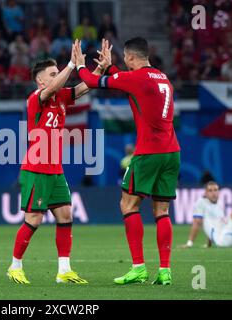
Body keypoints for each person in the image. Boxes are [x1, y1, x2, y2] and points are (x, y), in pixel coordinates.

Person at [74, 37, 180, 285]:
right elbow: (127, 83)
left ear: (130, 57)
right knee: (161, 211)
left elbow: (91, 81)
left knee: (128, 206)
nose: (124, 61)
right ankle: (165, 270)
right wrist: (111, 67)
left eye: (124, 58)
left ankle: (139, 267)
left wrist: (80, 65)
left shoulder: (137, 78)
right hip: (172, 151)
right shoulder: (162, 78)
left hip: (148, 153)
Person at [7, 39, 107, 285]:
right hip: (36, 167)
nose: (58, 76)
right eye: (53, 73)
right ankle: (14, 266)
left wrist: (100, 70)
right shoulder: (36, 98)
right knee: (34, 220)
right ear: (41, 80)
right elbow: (54, 88)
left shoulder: (60, 96)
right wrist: (72, 64)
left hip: (55, 169)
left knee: (65, 216)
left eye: (58, 72)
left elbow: (82, 89)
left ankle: (64, 271)